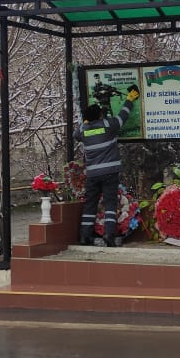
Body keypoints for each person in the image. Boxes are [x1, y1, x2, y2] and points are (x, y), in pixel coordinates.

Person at [73, 86, 139, 247]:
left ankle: (85, 236)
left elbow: (75, 135)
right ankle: (109, 234)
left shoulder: (83, 130)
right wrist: (129, 100)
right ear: (100, 115)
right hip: (110, 172)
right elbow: (122, 117)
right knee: (110, 203)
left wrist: (86, 123)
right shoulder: (108, 125)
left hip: (93, 174)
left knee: (90, 204)